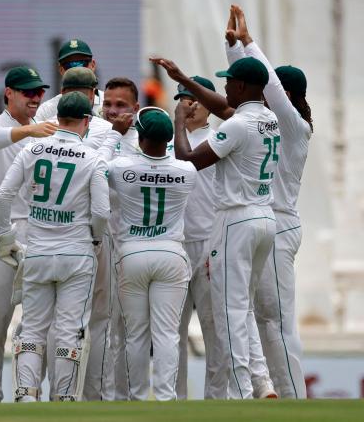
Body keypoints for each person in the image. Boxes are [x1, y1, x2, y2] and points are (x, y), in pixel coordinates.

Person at [152, 54, 279, 399]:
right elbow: (225, 105)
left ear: (240, 86)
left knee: (228, 312)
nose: (224, 89)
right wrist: (183, 80)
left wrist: (177, 121)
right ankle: (262, 381)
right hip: (262, 216)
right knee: (242, 306)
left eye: (228, 83)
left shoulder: (232, 127)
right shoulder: (268, 118)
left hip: (232, 223)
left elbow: (188, 161)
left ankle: (236, 391)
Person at [0, 91, 110, 402]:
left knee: (31, 328)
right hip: (76, 252)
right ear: (87, 121)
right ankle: (64, 398)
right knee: (70, 330)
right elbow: (101, 212)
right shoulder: (93, 158)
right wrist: (95, 238)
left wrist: (6, 237)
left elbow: (3, 197)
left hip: (38, 250)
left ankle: (25, 394)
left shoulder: (32, 149)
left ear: (57, 119)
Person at [225, 5, 311, 399]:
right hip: (267, 223)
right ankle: (274, 393)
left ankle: (295, 400)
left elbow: (266, 85)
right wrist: (234, 50)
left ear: (286, 95)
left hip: (279, 225)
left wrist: (248, 42)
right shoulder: (267, 122)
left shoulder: (294, 127)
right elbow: (248, 89)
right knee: (262, 318)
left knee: (276, 320)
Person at [40, 67, 124, 400]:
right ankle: (92, 396)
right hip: (92, 236)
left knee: (50, 321)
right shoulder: (105, 128)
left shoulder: (46, 129)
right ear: (93, 94)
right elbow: (105, 185)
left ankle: (51, 394)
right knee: (99, 319)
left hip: (48, 233)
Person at [0, 66, 57, 402]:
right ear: (9, 93)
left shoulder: (46, 131)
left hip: (39, 230)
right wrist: (29, 132)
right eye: (28, 92)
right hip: (0, 231)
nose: (35, 98)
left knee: (41, 324)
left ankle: (31, 393)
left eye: (39, 92)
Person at [109, 107, 197, 400]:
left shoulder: (122, 167)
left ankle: (137, 397)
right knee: (167, 334)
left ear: (141, 136)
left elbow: (98, 166)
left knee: (135, 335)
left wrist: (116, 134)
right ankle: (165, 398)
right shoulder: (186, 171)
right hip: (171, 252)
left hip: (132, 252)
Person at [170, 76, 226, 400]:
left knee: (213, 329)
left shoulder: (220, 139)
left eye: (194, 99)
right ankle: (174, 400)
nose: (188, 106)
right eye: (182, 99)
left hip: (210, 242)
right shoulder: (165, 143)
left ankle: (216, 400)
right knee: (172, 333)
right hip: (175, 245)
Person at [101, 77, 140, 400]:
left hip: (135, 246)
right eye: (108, 104)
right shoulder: (94, 138)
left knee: (133, 330)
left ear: (136, 109)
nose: (112, 111)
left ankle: (131, 399)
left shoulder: (149, 140)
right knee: (105, 327)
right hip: (101, 244)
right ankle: (106, 397)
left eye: (121, 105)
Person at [35, 38, 104, 121]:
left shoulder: (109, 104)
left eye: (81, 63)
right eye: (69, 65)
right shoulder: (47, 110)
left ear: (92, 65)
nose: (76, 69)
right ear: (61, 70)